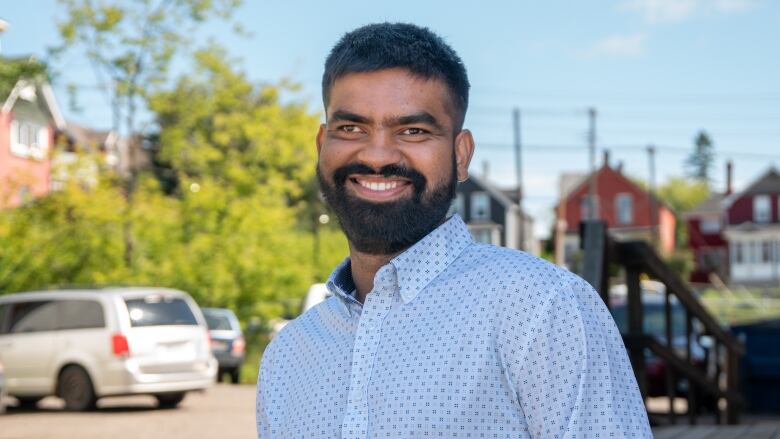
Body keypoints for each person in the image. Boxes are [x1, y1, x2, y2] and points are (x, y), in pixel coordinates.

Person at [256, 22, 652, 438]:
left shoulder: (542, 308)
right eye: (352, 128)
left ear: (460, 155)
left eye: (413, 131)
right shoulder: (287, 355)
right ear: (322, 146)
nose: (376, 155)